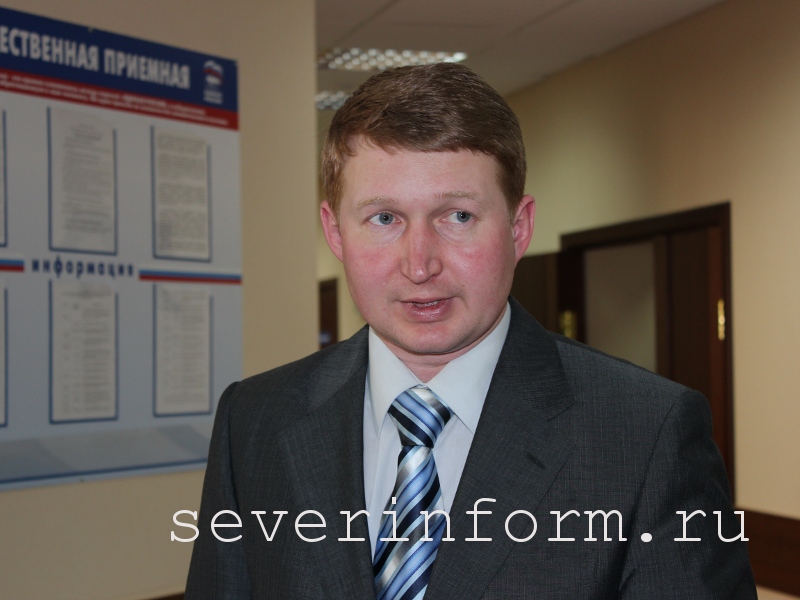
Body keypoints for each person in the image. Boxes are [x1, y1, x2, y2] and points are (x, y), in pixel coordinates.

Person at [186, 63, 755, 599]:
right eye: (384, 218)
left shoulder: (647, 434)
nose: (420, 264)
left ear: (518, 228)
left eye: (457, 216)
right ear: (335, 233)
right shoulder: (254, 421)